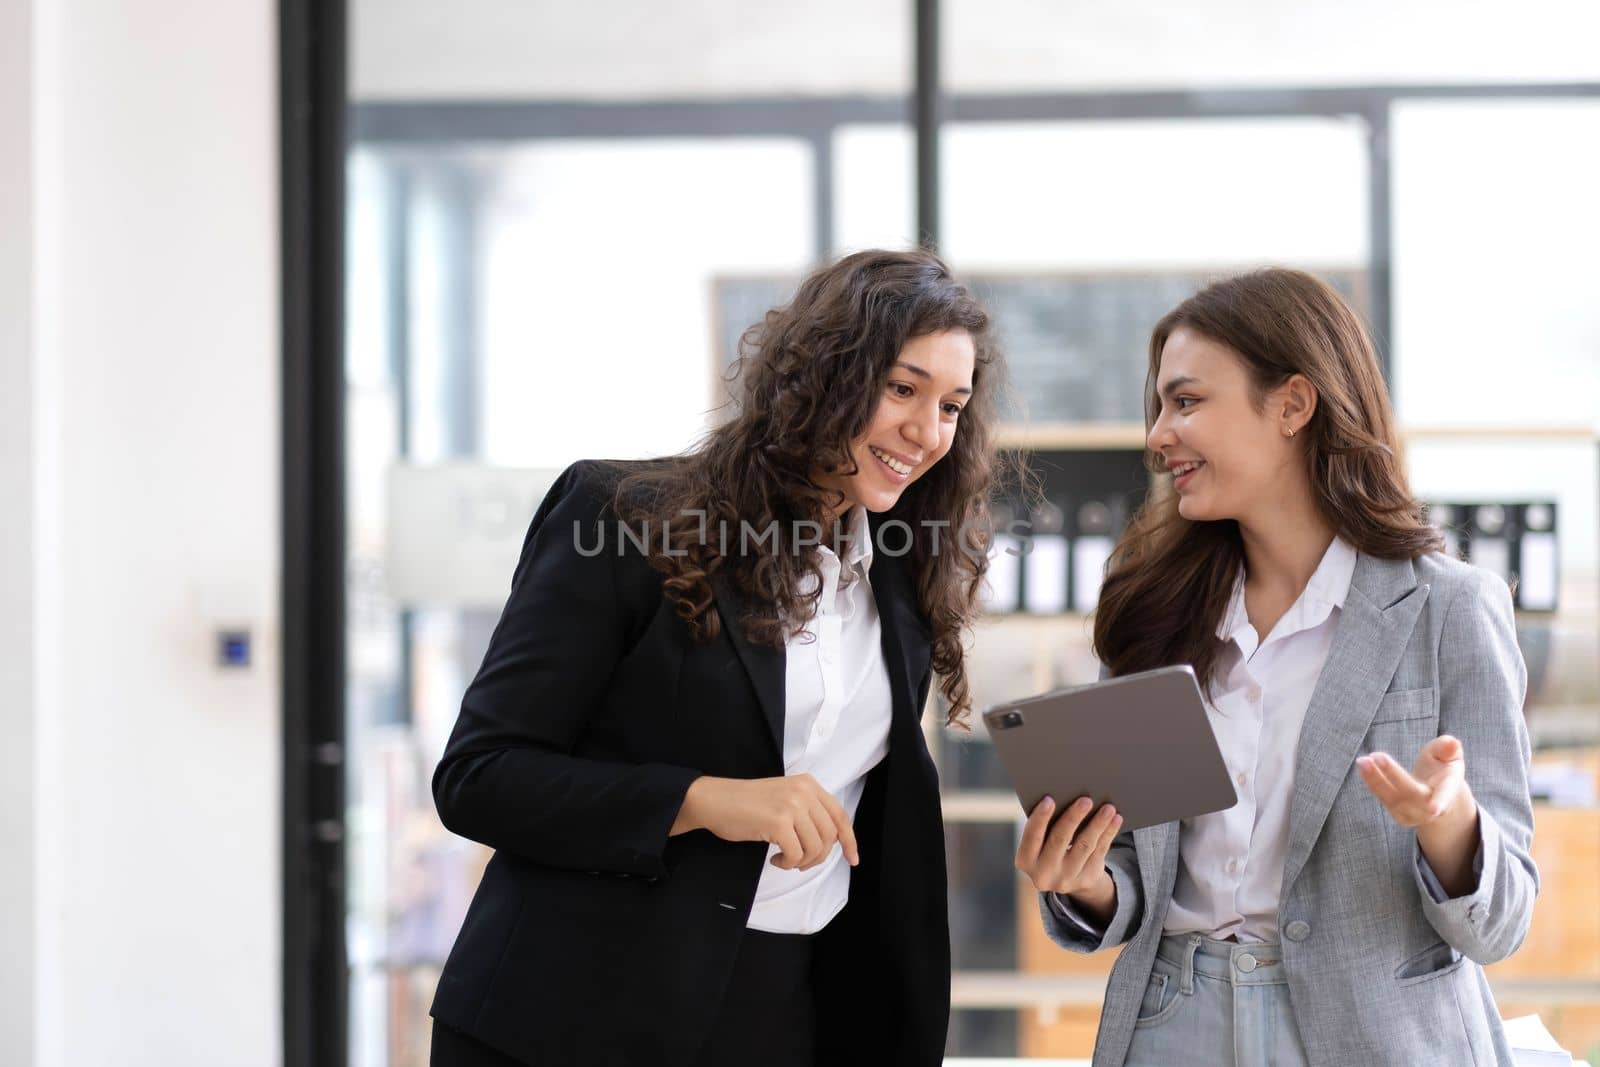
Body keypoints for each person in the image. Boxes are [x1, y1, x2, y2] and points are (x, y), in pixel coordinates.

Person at [428, 248, 1007, 1067]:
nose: (926, 431)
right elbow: (479, 776)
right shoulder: (624, 518)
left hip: (790, 1007)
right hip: (579, 1013)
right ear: (824, 374)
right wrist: (703, 800)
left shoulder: (903, 575)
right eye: (902, 388)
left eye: (952, 405)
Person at [1015, 268, 1538, 1066]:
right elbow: (1135, 874)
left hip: (1372, 1038)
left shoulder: (1449, 609)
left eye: (1186, 402)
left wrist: (1449, 825)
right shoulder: (1156, 615)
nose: (1158, 436)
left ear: (1292, 404)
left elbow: (1501, 924)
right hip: (1172, 1026)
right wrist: (1083, 877)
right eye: (1159, 407)